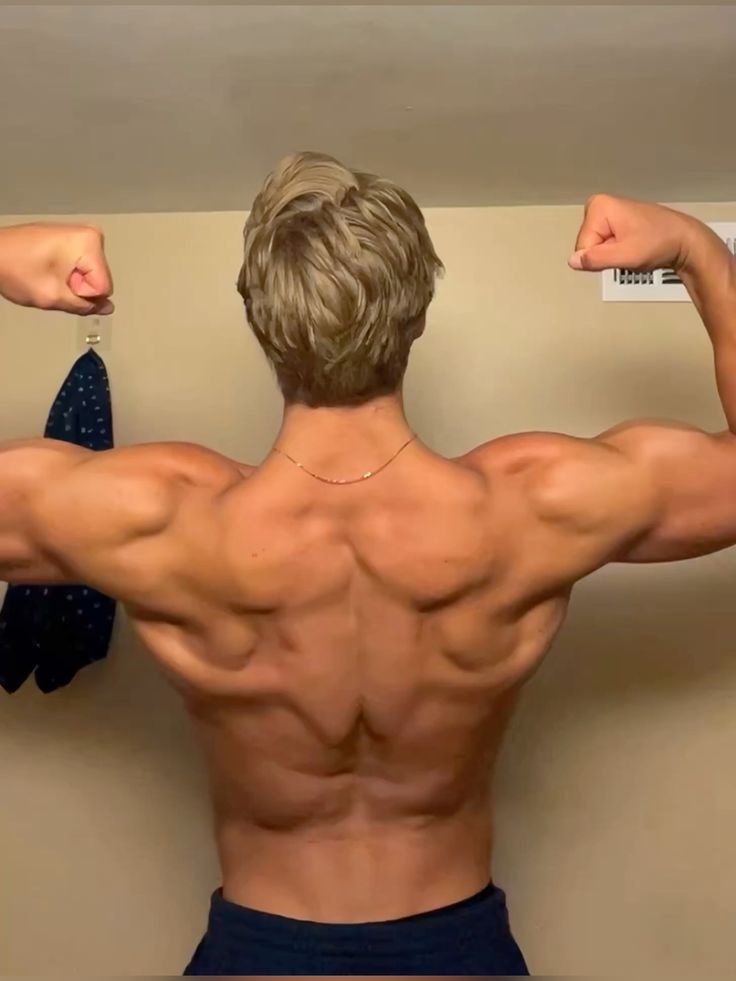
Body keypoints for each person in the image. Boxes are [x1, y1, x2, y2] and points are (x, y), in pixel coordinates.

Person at [1, 153, 735, 975]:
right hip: (458, 946)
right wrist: (695, 249)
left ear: (260, 317)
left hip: (260, 946)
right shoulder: (532, 508)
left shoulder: (160, 520)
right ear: (414, 314)